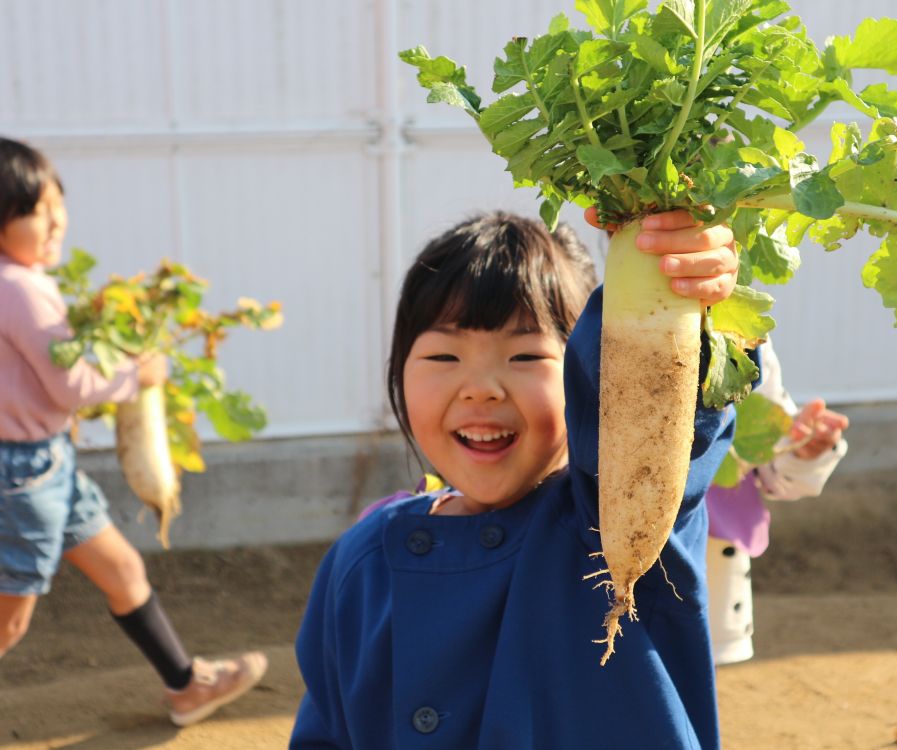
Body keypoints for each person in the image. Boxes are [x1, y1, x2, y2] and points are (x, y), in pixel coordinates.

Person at [292, 209, 744, 749]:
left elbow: (667, 427)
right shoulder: (361, 561)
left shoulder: (611, 526)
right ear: (398, 372)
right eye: (443, 354)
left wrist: (681, 294)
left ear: (591, 373)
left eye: (525, 354)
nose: (481, 388)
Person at [0, 137, 267, 727]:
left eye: (57, 204)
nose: (56, 221)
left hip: (43, 463)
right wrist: (135, 372)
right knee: (10, 622)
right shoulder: (19, 288)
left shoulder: (14, 283)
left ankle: (185, 685)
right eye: (36, 211)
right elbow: (70, 384)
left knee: (122, 571)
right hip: (22, 476)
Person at [706, 338, 849, 665]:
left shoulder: (741, 334)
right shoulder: (601, 308)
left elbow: (769, 461)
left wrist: (801, 448)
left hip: (711, 570)